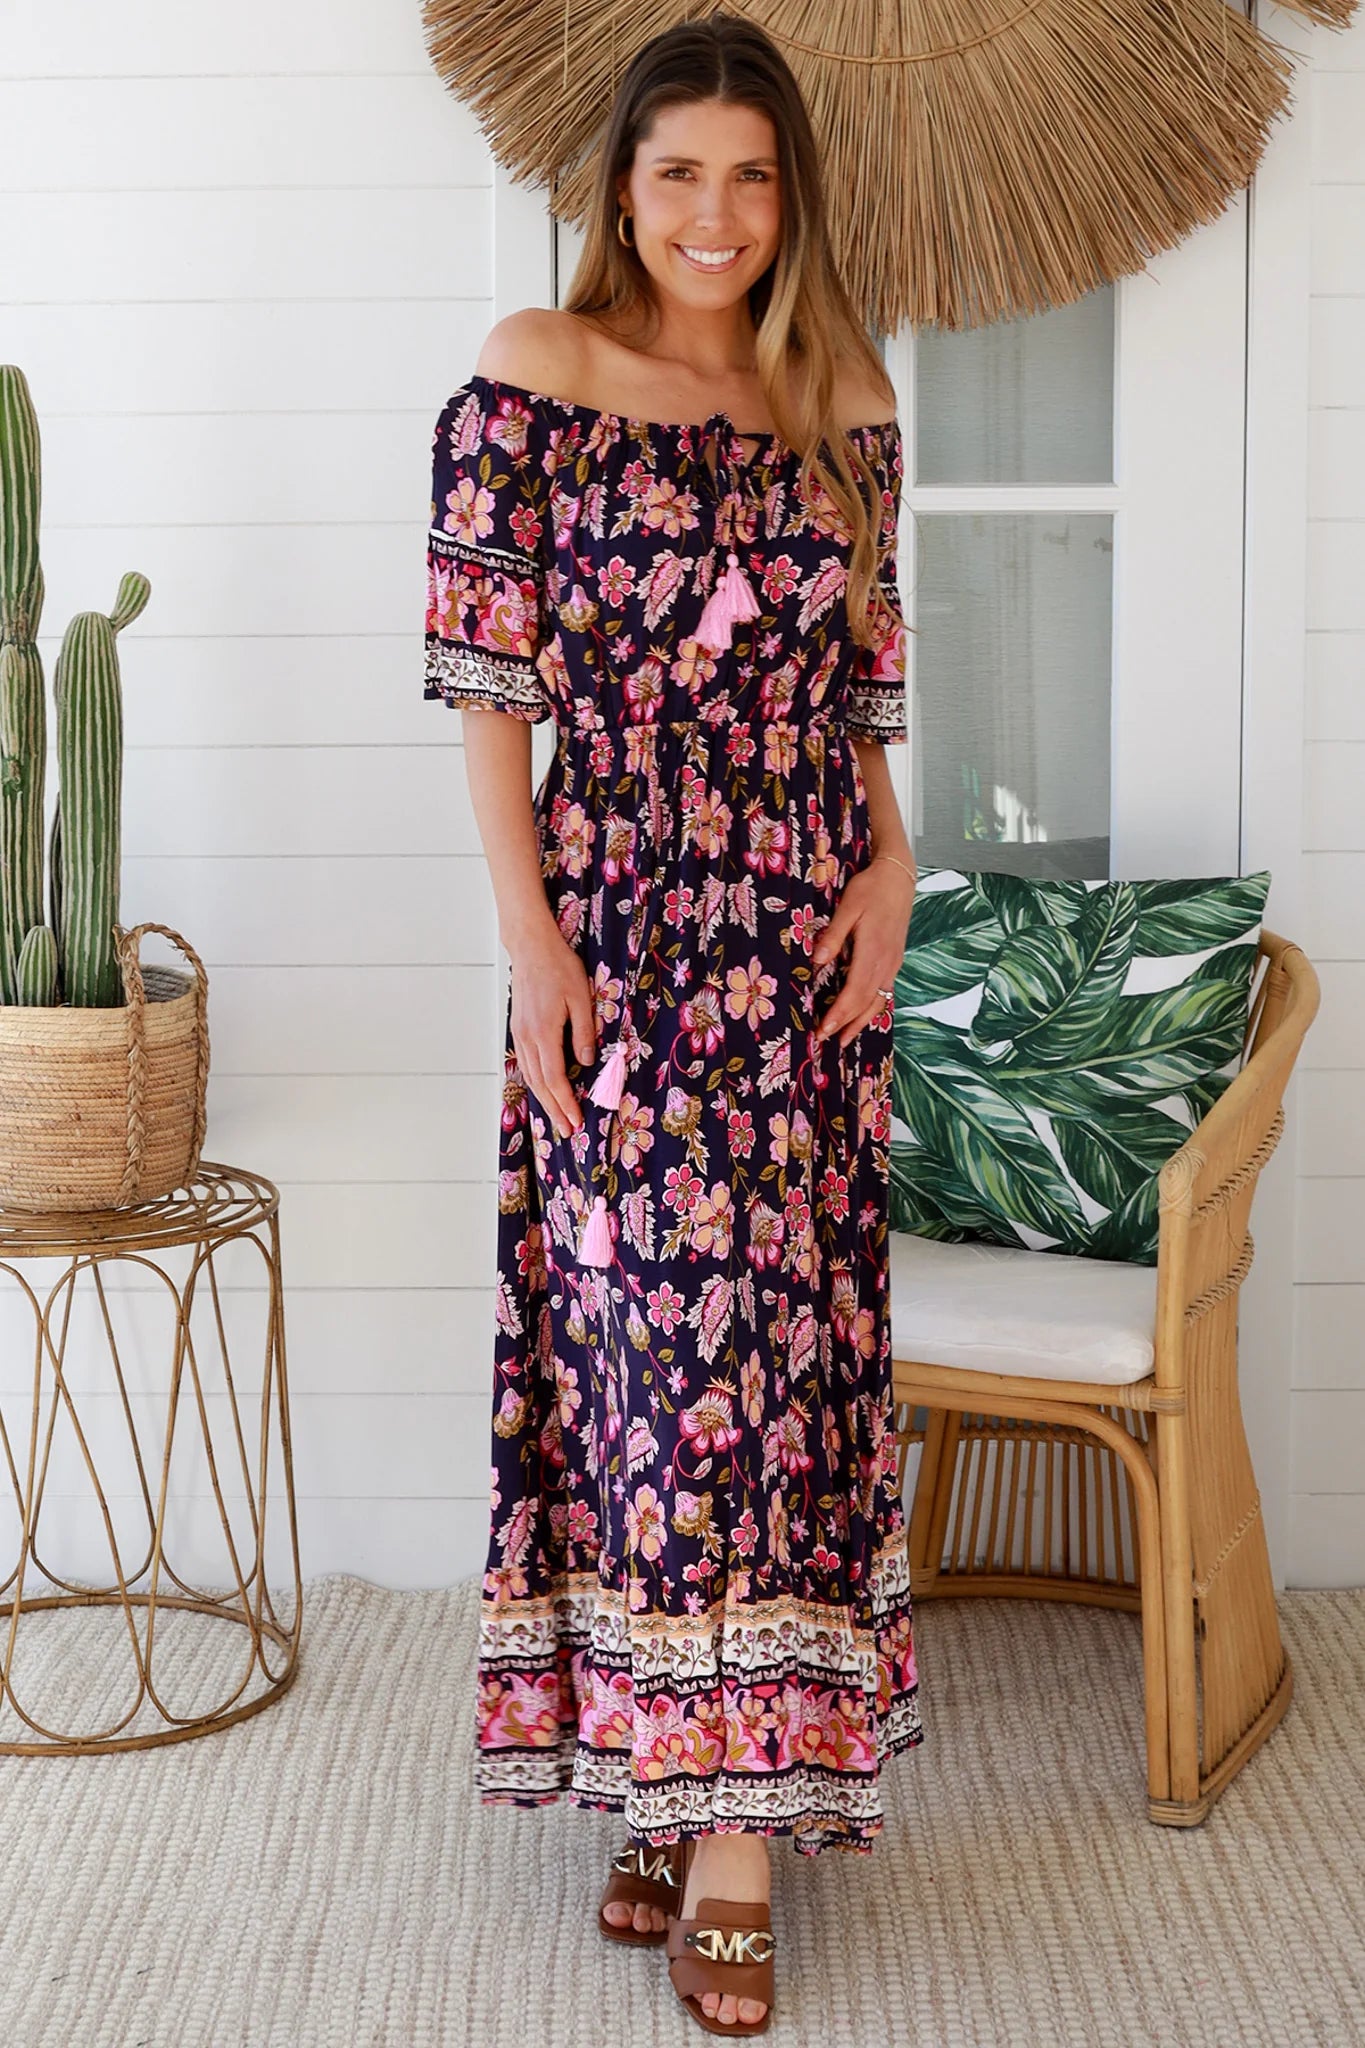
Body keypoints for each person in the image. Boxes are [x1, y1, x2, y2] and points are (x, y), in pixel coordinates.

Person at [424, 14, 923, 2034]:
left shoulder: (844, 399)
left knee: (768, 1369)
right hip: (620, 938)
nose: (712, 213)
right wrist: (531, 943)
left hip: (802, 937)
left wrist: (889, 867)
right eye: (675, 174)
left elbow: (864, 702)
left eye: (748, 174)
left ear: (784, 195)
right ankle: (665, 1766)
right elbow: (487, 695)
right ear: (617, 191)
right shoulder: (531, 380)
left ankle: (721, 1837)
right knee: (635, 1356)